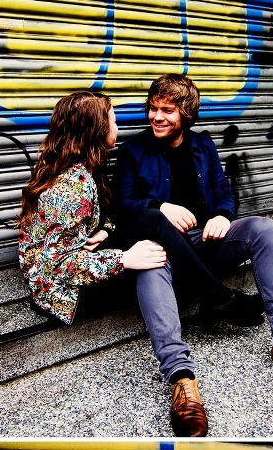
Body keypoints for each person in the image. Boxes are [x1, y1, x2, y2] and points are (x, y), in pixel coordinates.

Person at [112, 74, 273, 434]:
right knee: (150, 261)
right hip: (163, 249)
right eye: (153, 108)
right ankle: (181, 379)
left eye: (167, 110)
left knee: (262, 228)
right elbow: (121, 209)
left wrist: (222, 215)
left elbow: (224, 192)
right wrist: (159, 207)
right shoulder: (133, 152)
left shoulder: (203, 147)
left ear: (186, 114)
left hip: (204, 242)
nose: (156, 116)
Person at [18, 90, 166, 325]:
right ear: (98, 131)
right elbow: (58, 265)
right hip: (65, 298)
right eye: (114, 122)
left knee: (152, 220)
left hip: (74, 269)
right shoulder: (71, 188)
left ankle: (213, 292)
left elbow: (103, 214)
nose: (117, 128)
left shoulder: (80, 167)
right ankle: (212, 293)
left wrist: (105, 230)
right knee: (153, 238)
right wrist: (124, 259)